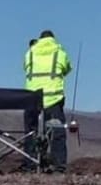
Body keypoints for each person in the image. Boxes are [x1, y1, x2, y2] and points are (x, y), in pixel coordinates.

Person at [23, 30, 73, 173]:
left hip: (31, 99)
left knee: (30, 132)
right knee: (57, 132)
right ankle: (58, 166)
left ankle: (30, 164)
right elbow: (67, 69)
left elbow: (25, 68)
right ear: (53, 39)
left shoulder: (30, 53)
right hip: (53, 99)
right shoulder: (60, 52)